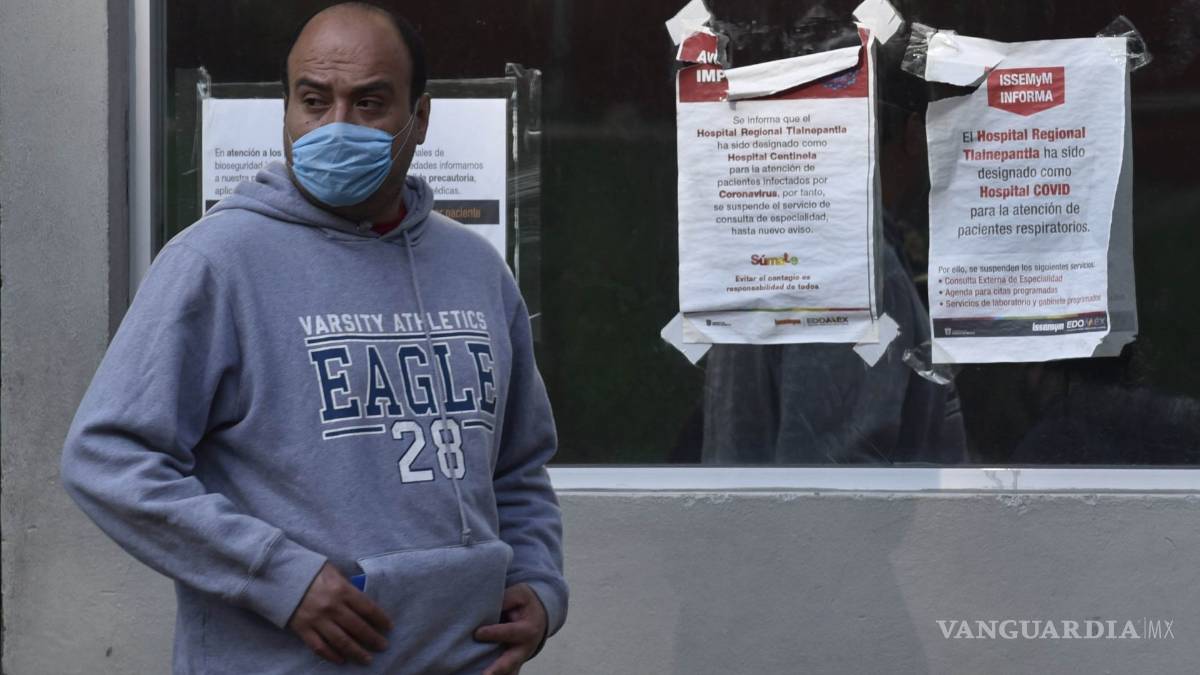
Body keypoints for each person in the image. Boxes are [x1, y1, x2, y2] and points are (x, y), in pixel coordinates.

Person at [60, 3, 566, 673]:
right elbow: (107, 458)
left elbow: (517, 467)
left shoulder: (475, 270)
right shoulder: (217, 262)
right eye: (314, 100)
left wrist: (538, 580)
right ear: (286, 109)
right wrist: (277, 575)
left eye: (370, 102)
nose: (336, 126)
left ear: (420, 117)